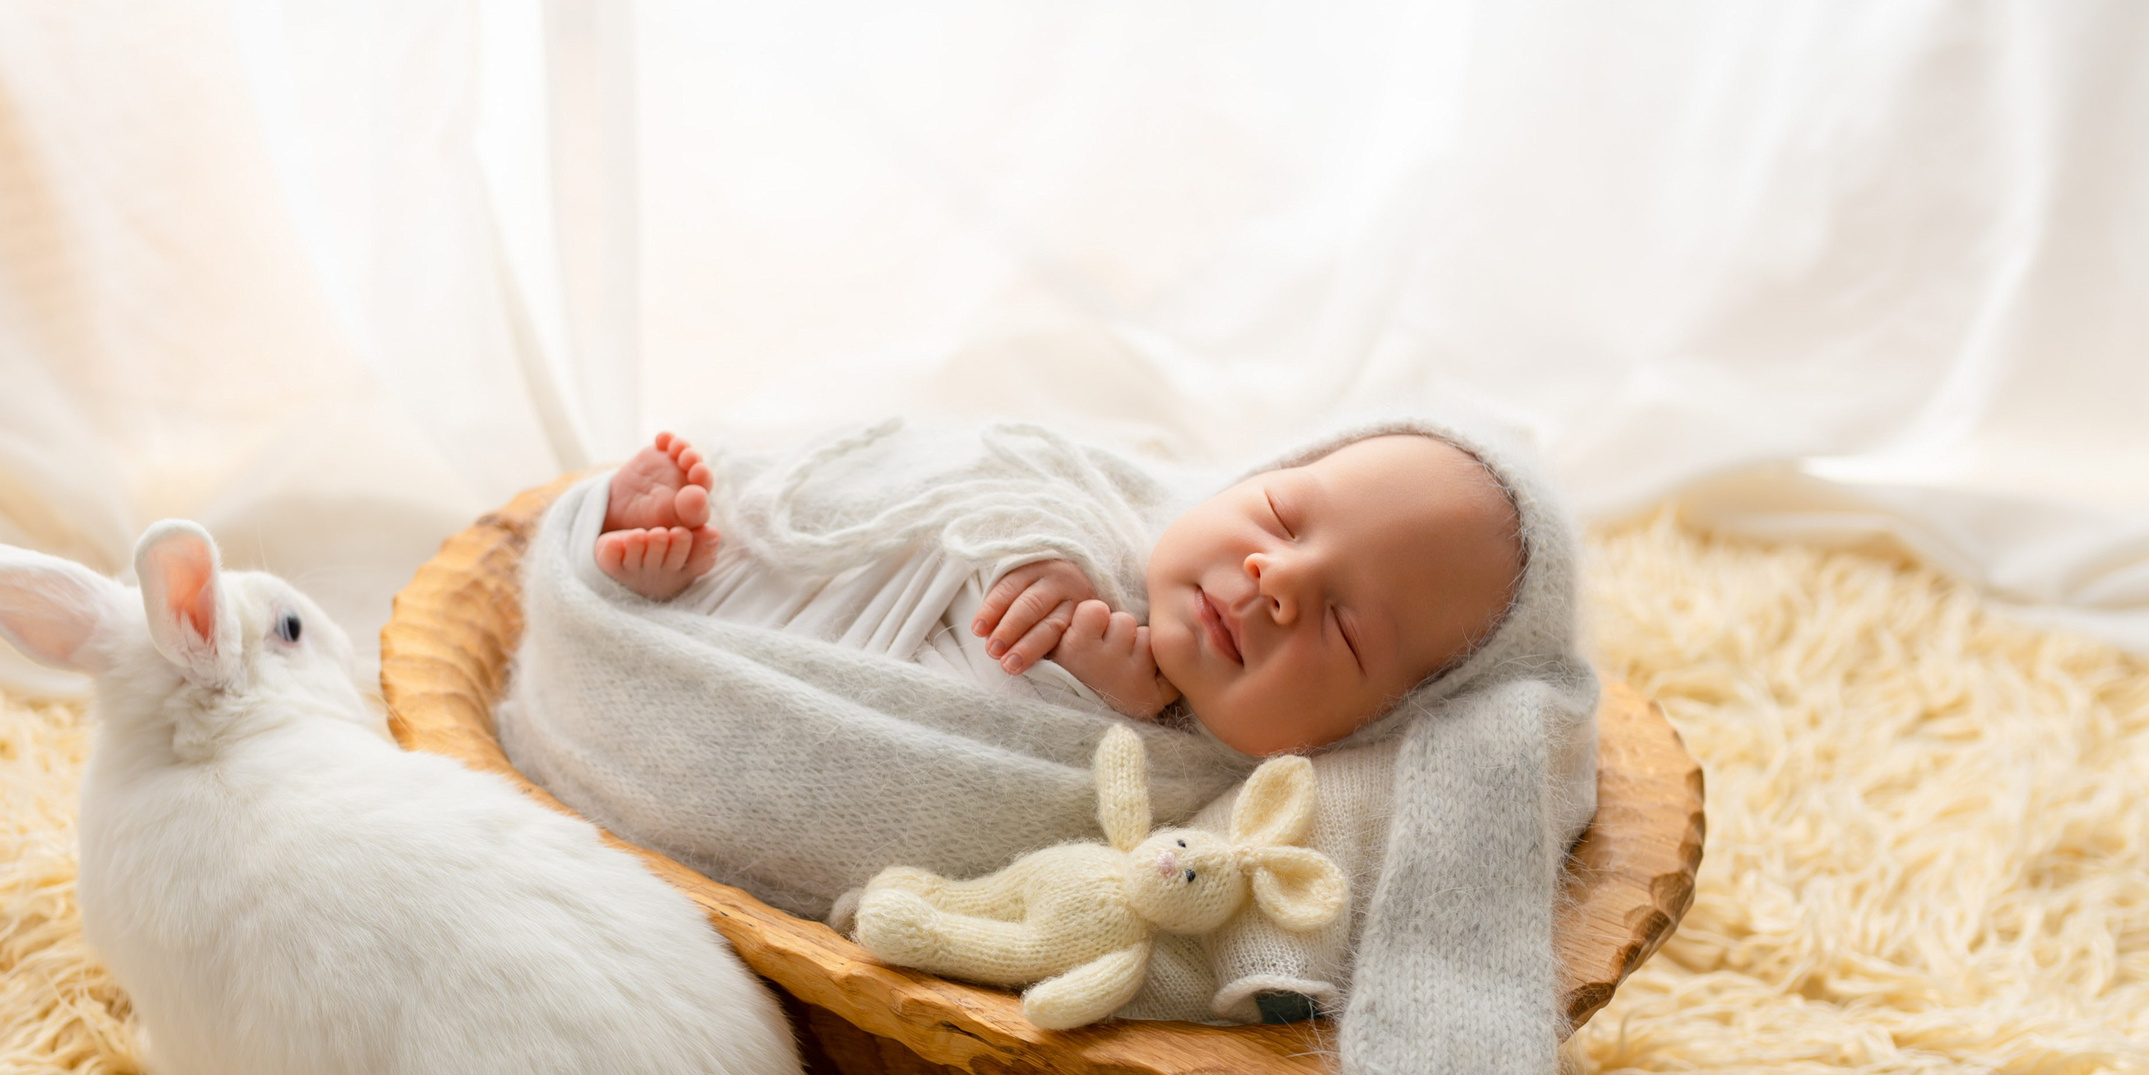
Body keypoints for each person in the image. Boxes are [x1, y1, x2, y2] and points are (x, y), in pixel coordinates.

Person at [591, 427, 1524, 757]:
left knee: (760, 678)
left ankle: (670, 603)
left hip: (810, 714)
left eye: (1348, 631)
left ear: (1375, 725)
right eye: (1281, 516)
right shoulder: (1108, 529)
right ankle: (693, 559)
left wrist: (1106, 707)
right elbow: (981, 475)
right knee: (784, 554)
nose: (1276, 583)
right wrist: (1036, 555)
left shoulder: (1235, 800)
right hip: (854, 588)